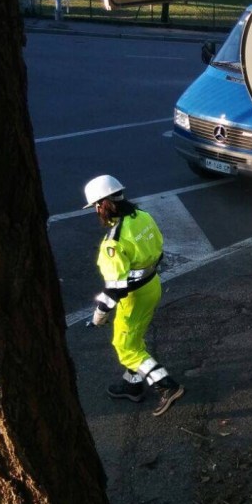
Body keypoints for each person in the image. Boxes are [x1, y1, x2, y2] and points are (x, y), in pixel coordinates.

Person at [83, 174, 184, 416]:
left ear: (104, 204)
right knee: (135, 337)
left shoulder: (113, 242)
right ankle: (132, 385)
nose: (96, 211)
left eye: (96, 206)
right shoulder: (142, 217)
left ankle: (166, 385)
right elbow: (159, 248)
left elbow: (115, 288)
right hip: (152, 285)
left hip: (134, 297)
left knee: (126, 347)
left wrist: (99, 315)